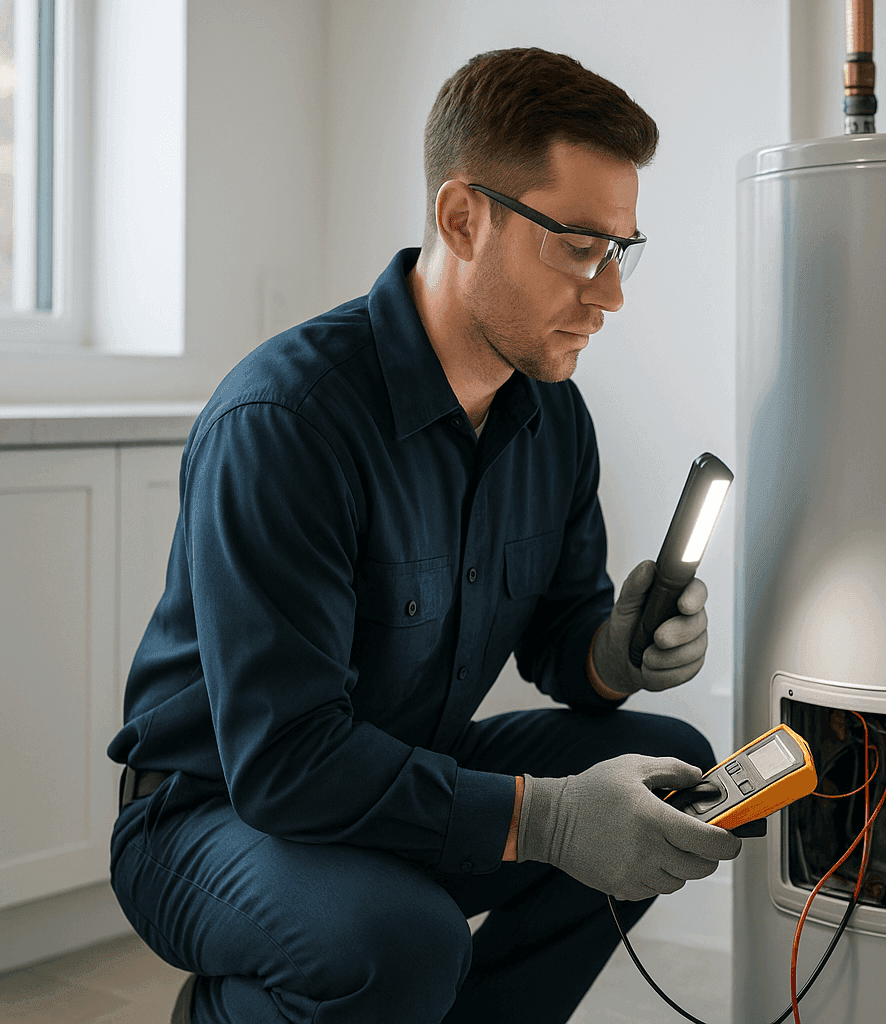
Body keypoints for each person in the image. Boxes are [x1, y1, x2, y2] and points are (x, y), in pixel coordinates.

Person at [106, 48, 741, 1024]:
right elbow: (286, 763)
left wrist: (616, 646)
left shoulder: (552, 418)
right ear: (462, 218)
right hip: (213, 812)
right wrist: (550, 821)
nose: (611, 294)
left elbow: (562, 645)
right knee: (403, 941)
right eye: (579, 245)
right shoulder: (286, 424)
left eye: (623, 249)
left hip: (396, 768)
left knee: (672, 769)